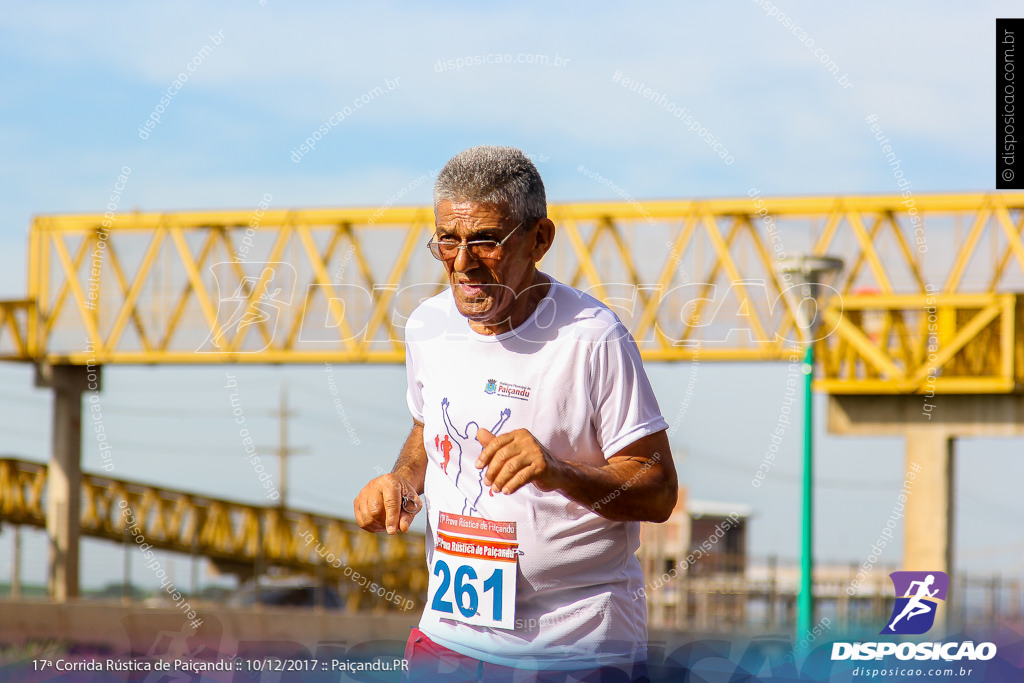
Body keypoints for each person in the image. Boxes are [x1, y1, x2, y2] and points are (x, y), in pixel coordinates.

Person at [354, 146, 677, 682]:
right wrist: (401, 485)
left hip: (578, 649)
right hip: (450, 640)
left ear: (540, 239)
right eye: (448, 241)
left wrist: (558, 471)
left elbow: (659, 490)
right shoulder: (427, 326)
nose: (462, 263)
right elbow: (427, 427)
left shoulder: (593, 337)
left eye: (484, 240)